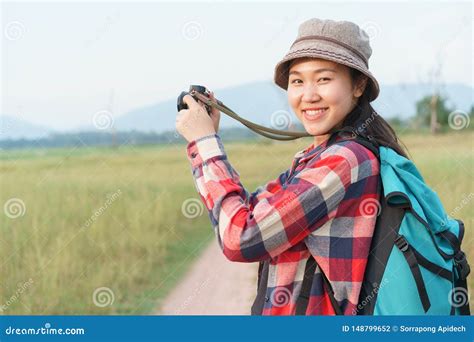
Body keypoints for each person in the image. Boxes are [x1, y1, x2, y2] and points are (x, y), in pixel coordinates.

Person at [176, 18, 408, 315]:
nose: (308, 95)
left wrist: (205, 143)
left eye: (324, 79)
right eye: (297, 81)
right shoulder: (318, 155)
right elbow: (250, 212)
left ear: (359, 85)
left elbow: (240, 237)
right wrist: (209, 136)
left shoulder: (345, 160)